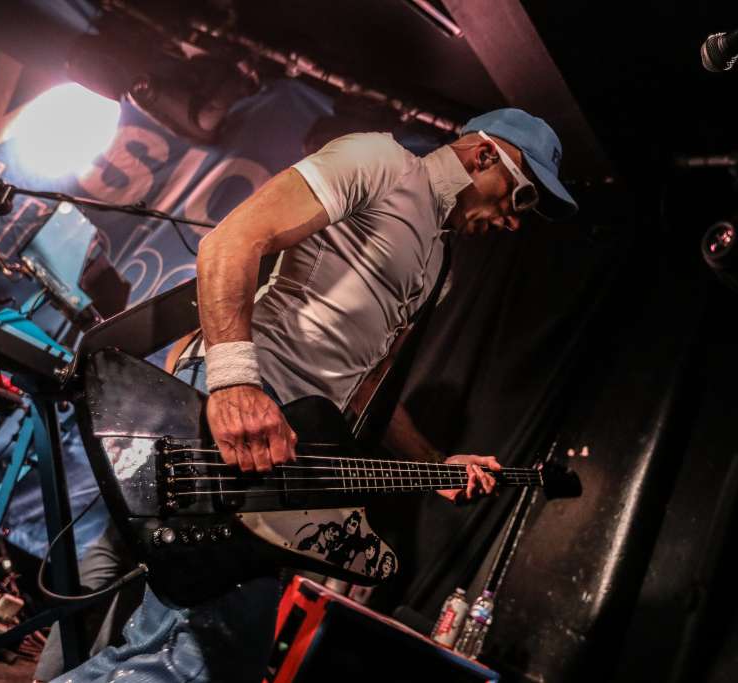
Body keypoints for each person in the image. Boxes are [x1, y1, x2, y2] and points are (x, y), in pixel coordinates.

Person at [51, 107, 578, 683]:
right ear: (483, 155)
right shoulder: (379, 160)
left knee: (159, 624)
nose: (515, 221)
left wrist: (436, 464)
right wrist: (235, 384)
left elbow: (370, 383)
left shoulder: (439, 265)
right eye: (523, 196)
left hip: (288, 442)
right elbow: (233, 240)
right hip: (244, 407)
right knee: (199, 652)